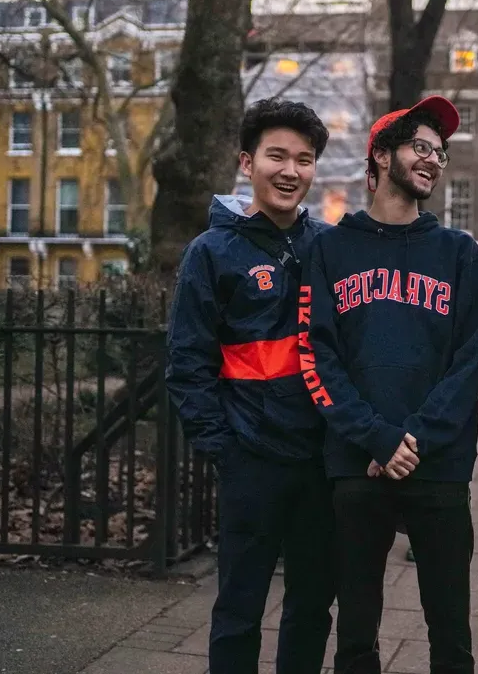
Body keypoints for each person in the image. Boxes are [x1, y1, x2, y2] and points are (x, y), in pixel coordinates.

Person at [298, 95, 478, 674]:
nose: (433, 160)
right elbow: (317, 354)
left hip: (437, 466)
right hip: (358, 464)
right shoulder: (330, 249)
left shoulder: (458, 253)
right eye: (420, 147)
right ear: (381, 155)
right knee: (355, 628)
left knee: (451, 632)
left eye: (440, 152)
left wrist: (411, 440)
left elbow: (471, 360)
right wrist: (377, 438)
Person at [166, 98, 335, 674]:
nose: (291, 171)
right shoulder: (211, 252)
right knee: (239, 608)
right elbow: (188, 362)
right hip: (252, 459)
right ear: (247, 162)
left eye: (305, 159)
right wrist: (224, 449)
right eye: (277, 156)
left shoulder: (329, 247)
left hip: (320, 460)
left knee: (313, 607)